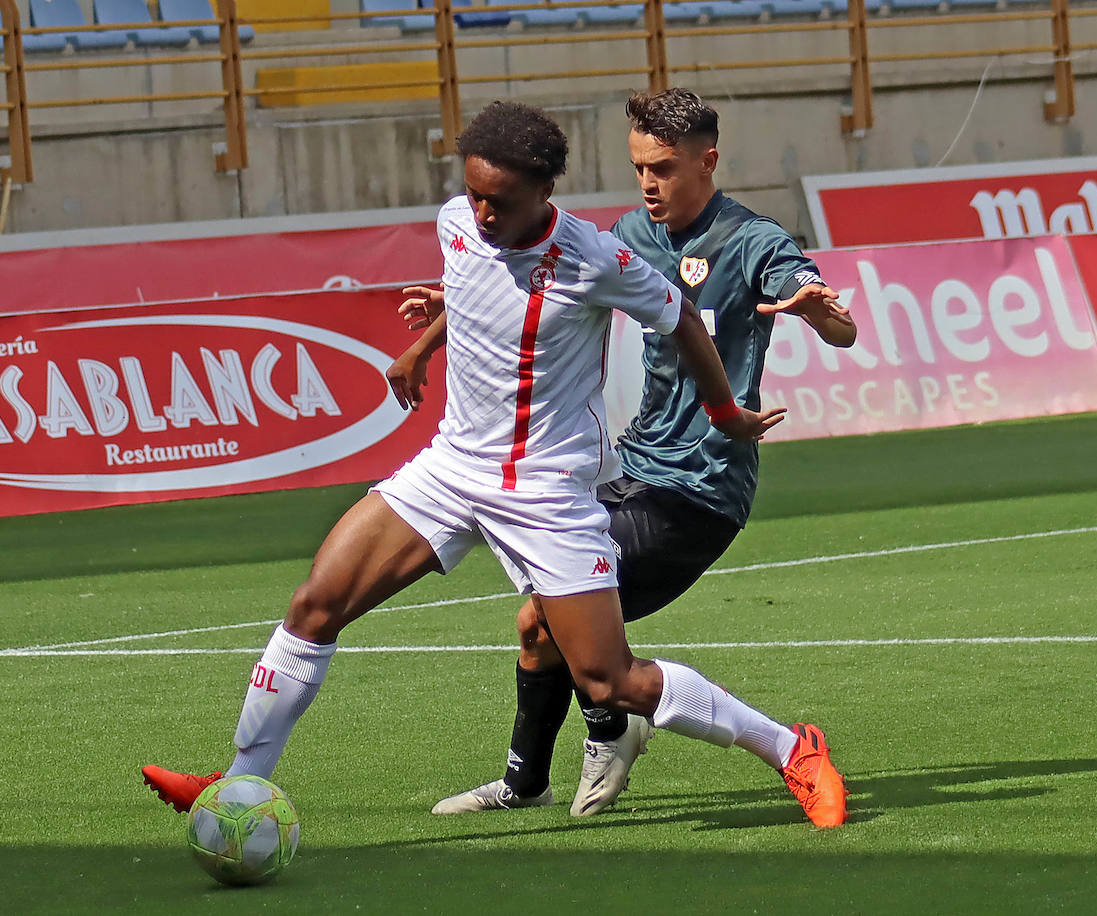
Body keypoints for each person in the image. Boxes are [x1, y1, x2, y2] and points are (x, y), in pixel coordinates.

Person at [140, 99, 809, 821]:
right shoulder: (457, 221)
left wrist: (724, 411)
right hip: (452, 469)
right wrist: (418, 350)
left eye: (501, 201)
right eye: (475, 194)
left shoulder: (595, 258)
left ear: (544, 194)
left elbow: (679, 316)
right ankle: (238, 783)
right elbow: (470, 288)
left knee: (611, 681)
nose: (482, 213)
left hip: (545, 489)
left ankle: (790, 748)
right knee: (315, 606)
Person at [399, 89, 856, 826]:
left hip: (700, 488)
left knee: (555, 627)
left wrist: (821, 310)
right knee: (537, 624)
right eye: (640, 166)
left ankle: (643, 730)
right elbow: (526, 283)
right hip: (633, 470)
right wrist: (427, 336)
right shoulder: (628, 240)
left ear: (707, 161)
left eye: (665, 169)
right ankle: (532, 778)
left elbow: (835, 323)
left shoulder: (752, 240)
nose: (648, 184)